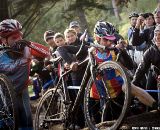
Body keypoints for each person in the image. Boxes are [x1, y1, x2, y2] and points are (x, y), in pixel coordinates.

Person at [92, 20, 156, 112]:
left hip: (118, 89)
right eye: (106, 39)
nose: (110, 42)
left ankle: (156, 107)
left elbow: (131, 66)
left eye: (111, 39)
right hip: (101, 93)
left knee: (130, 87)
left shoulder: (114, 49)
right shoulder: (91, 52)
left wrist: (122, 51)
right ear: (97, 38)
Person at [0, 19, 50, 130]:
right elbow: (10, 68)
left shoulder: (25, 47)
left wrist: (30, 44)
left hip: (22, 90)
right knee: (5, 122)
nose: (19, 40)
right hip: (3, 92)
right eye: (14, 38)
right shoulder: (1, 53)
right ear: (3, 40)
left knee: (26, 121)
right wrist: (23, 60)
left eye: (20, 36)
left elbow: (47, 53)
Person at [132, 24, 160, 109]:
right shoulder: (150, 52)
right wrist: (133, 85)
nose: (158, 38)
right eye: (156, 35)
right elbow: (141, 69)